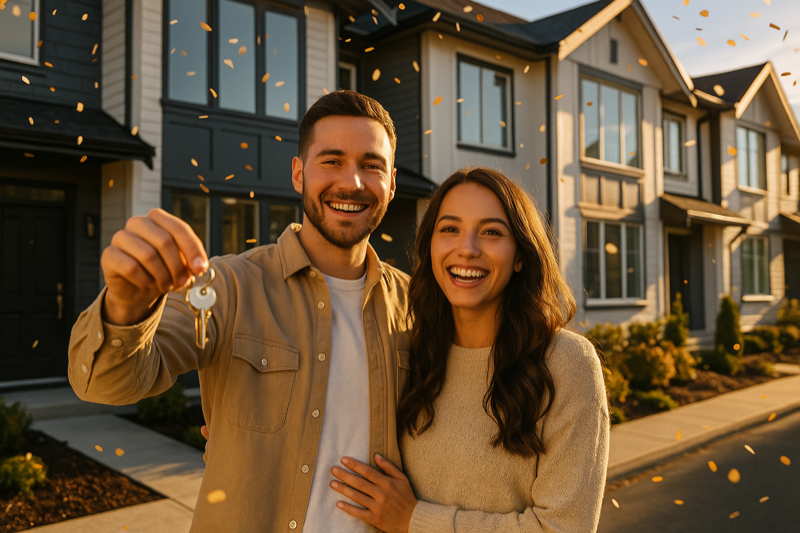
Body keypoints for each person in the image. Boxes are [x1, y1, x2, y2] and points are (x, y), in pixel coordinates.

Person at [67, 90, 413, 533]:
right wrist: (126, 305)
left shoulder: (418, 307)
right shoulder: (225, 287)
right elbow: (104, 383)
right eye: (331, 160)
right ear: (298, 173)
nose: (353, 182)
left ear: (392, 181)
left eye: (371, 165)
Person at [328, 167, 610, 532]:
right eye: (450, 229)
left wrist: (414, 519)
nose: (467, 249)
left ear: (520, 255)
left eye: (491, 232)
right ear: (430, 247)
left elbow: (563, 527)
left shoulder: (566, 364)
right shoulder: (415, 355)